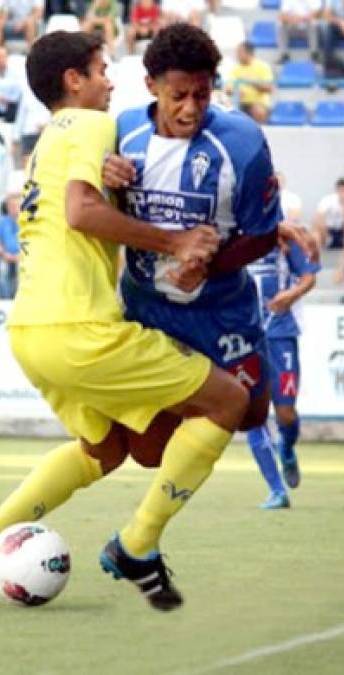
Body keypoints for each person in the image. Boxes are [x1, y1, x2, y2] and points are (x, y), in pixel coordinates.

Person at [0, 30, 244, 614]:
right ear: (73, 81)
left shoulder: (47, 142)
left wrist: (117, 180)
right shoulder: (87, 123)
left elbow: (78, 200)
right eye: (102, 70)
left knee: (104, 449)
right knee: (227, 401)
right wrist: (176, 240)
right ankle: (138, 542)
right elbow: (81, 212)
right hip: (80, 328)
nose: (111, 81)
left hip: (32, 330)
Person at [108, 23, 283, 459]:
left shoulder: (242, 143)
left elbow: (263, 236)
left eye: (201, 96)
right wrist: (104, 176)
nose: (191, 109)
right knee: (148, 453)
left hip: (221, 307)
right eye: (178, 96)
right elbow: (92, 206)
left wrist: (212, 264)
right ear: (152, 86)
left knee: (253, 415)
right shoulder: (123, 132)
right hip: (149, 306)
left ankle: (204, 394)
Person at [245, 234, 319, 509]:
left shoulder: (284, 242)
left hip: (280, 335)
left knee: (286, 413)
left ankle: (286, 448)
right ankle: (277, 490)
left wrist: (291, 294)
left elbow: (309, 277)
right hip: (245, 337)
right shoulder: (235, 236)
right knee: (251, 413)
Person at [226, 42, 274, 125]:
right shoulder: (235, 68)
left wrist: (253, 82)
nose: (237, 55)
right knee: (226, 109)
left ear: (248, 53)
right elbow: (228, 88)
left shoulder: (262, 67)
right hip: (239, 103)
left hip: (258, 103)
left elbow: (269, 88)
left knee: (258, 111)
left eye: (240, 52)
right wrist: (235, 91)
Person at [314, 178, 344, 250]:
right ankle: (321, 251)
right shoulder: (327, 200)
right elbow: (319, 216)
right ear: (337, 191)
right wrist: (325, 232)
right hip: (328, 230)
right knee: (316, 231)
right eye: (341, 190)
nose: (343, 193)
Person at [0, 193, 20, 299]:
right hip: (6, 255)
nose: (14, 208)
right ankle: (5, 300)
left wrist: (21, 255)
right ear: (7, 207)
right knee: (2, 271)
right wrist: (4, 253)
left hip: (22, 257)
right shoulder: (2, 221)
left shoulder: (28, 221)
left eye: (16, 205)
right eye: (11, 206)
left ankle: (19, 300)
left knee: (22, 271)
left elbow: (32, 243)